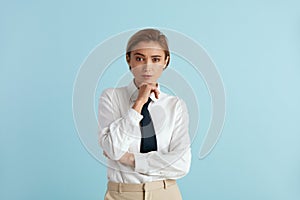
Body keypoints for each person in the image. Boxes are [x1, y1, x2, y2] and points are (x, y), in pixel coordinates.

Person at [98, 28, 191, 200]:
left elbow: (182, 164)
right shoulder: (111, 97)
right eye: (140, 58)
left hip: (166, 193)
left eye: (156, 59)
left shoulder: (175, 106)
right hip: (121, 194)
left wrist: (130, 159)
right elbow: (113, 149)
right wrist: (138, 103)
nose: (148, 67)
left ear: (165, 61)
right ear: (129, 60)